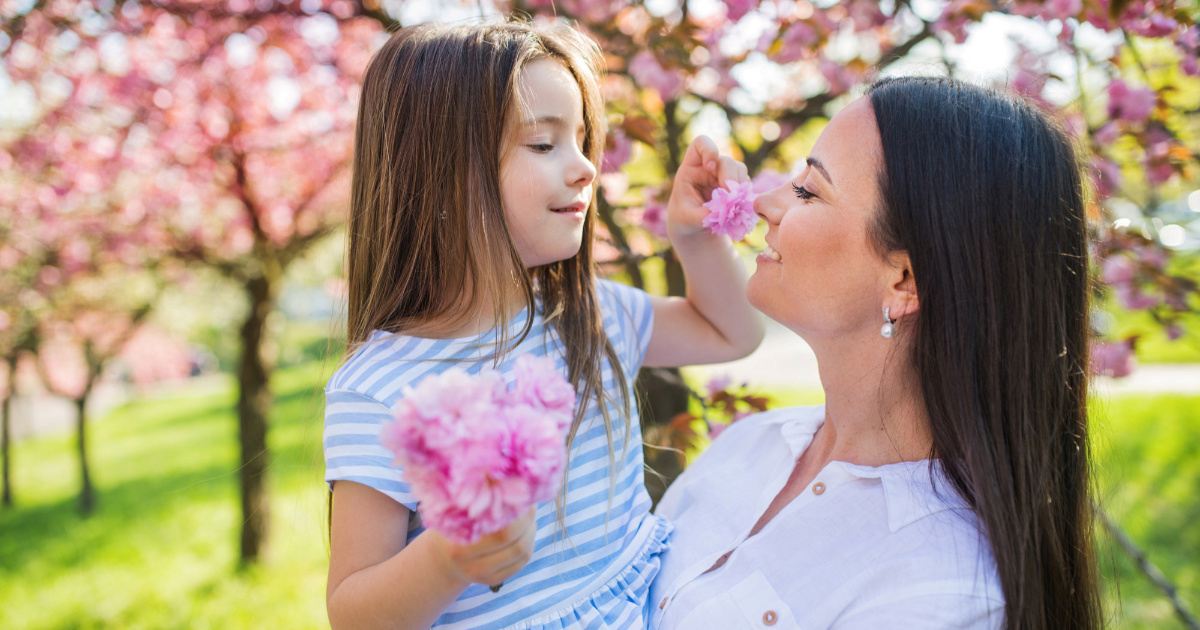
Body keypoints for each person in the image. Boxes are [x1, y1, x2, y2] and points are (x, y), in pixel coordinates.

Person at [323, 20, 764, 630]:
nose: (585, 167)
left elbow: (731, 333)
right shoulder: (377, 388)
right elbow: (353, 613)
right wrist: (449, 557)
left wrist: (694, 237)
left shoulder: (590, 314)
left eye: (583, 140)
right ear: (440, 169)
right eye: (543, 144)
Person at [649, 76, 1101, 630]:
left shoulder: (942, 591)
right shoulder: (753, 444)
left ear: (905, 281)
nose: (766, 203)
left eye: (809, 191)